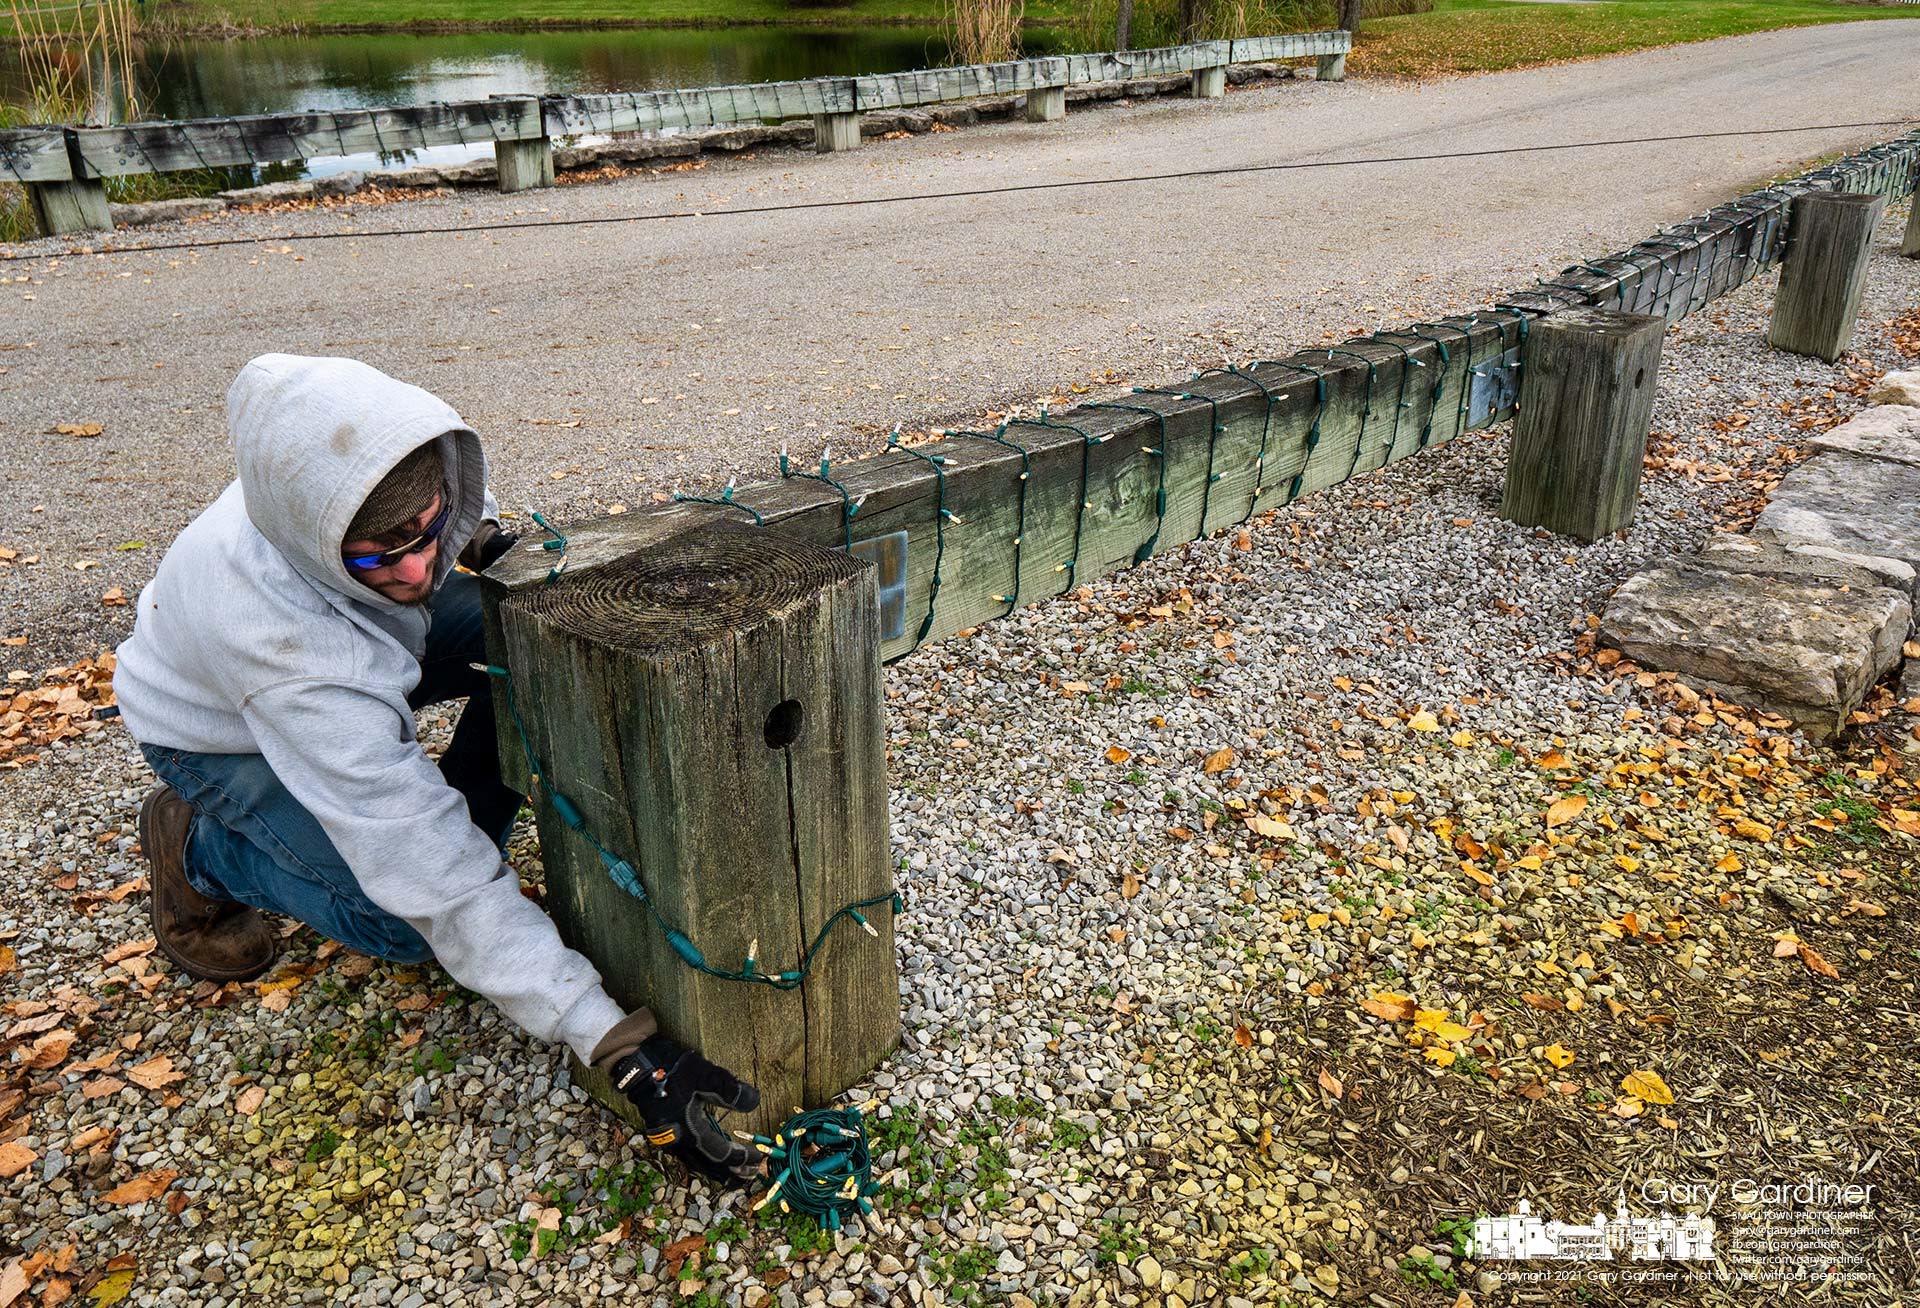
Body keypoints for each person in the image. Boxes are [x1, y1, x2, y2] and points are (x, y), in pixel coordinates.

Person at [113, 354, 759, 1184]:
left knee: (529, 638)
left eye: (427, 532)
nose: (420, 571)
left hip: (360, 639)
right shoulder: (289, 655)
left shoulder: (365, 469)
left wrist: (479, 540)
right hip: (215, 735)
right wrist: (611, 1038)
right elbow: (429, 874)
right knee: (400, 921)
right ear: (319, 542)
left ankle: (456, 803)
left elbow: (437, 504)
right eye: (379, 556)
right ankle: (198, 847)